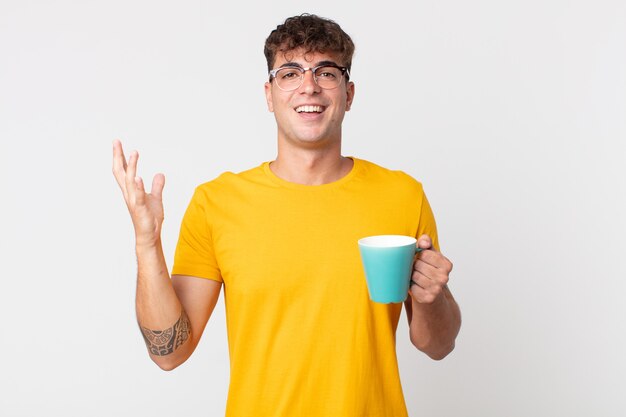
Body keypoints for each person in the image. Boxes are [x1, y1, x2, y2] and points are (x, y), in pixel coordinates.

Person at [112, 14, 461, 417]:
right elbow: (169, 354)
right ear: (269, 93)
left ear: (349, 94)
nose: (308, 86)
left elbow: (438, 345)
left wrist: (436, 297)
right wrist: (147, 244)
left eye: (326, 72)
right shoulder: (218, 203)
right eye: (290, 72)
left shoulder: (403, 196)